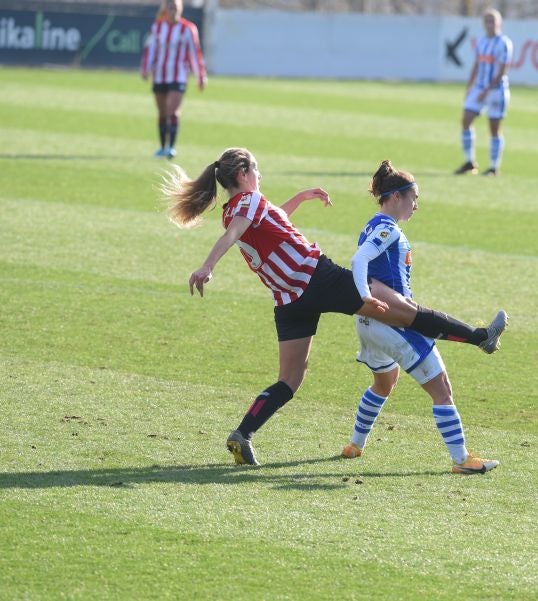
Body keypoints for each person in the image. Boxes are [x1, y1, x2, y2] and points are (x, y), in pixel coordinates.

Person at [163, 148, 508, 466]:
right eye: (256, 169)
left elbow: (270, 222)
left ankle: (243, 433)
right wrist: (207, 266)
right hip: (317, 278)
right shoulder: (248, 202)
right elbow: (234, 235)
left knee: (289, 380)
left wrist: (301, 197)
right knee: (406, 312)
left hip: (289, 300)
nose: (260, 175)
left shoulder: (233, 210)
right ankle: (479, 337)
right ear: (243, 174)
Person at [341, 160, 499, 474]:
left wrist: (365, 300)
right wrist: (364, 295)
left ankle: (354, 445)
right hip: (391, 322)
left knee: (384, 382)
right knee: (442, 389)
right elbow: (359, 260)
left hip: (367, 323)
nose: (416, 205)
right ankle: (462, 460)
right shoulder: (387, 228)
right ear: (396, 196)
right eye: (414, 198)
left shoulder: (372, 224)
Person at [140, 0, 207, 160]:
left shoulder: (188, 28)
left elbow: (195, 53)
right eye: (170, 7)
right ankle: (163, 147)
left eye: (176, 8)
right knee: (162, 112)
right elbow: (151, 49)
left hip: (178, 76)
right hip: (160, 75)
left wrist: (200, 75)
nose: (173, 11)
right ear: (166, 9)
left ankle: (171, 147)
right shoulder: (158, 27)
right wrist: (145, 68)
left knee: (173, 110)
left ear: (180, 9)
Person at [454, 8, 513, 177]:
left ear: (499, 23)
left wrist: (486, 90)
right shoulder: (481, 41)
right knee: (466, 119)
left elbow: (502, 70)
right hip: (479, 88)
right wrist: (470, 86)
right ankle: (469, 162)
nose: (489, 24)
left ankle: (494, 167)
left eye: (492, 21)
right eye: (487, 21)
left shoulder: (504, 43)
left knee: (494, 128)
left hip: (496, 90)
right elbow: (477, 64)